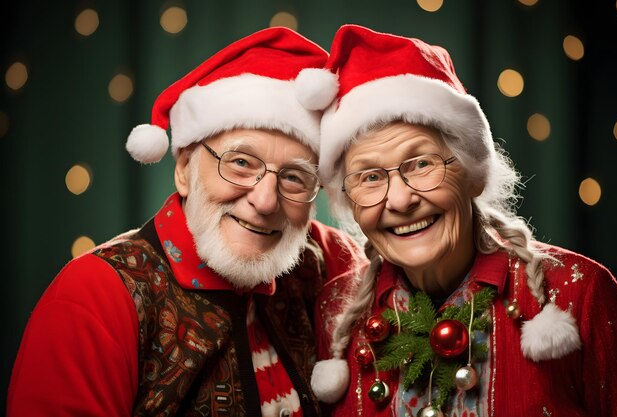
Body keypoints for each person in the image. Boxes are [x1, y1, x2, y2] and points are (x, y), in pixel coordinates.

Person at [7, 27, 364, 417]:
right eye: (240, 163)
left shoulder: (328, 264)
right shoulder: (95, 297)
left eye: (294, 177)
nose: (265, 201)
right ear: (183, 170)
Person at [302, 24, 617, 417]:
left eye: (421, 164)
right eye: (370, 177)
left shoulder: (578, 294)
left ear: (472, 173)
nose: (401, 200)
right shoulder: (333, 310)